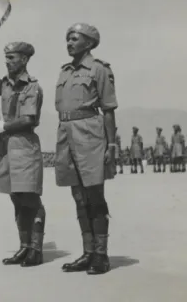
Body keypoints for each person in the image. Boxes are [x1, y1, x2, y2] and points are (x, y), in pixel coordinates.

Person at [0, 42, 46, 267]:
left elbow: (29, 119)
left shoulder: (32, 86)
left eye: (12, 58)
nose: (8, 62)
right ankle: (24, 247)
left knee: (30, 198)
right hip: (5, 148)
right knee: (16, 198)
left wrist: (5, 126)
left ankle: (36, 249)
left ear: (24, 60)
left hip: (24, 145)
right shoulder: (3, 84)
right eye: (6, 58)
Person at [54, 23, 117, 275]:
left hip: (90, 133)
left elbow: (109, 109)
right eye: (67, 38)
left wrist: (111, 144)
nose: (69, 42)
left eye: (74, 39)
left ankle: (101, 255)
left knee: (94, 195)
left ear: (89, 43)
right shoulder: (65, 71)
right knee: (78, 196)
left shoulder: (99, 69)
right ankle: (88, 252)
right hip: (65, 134)